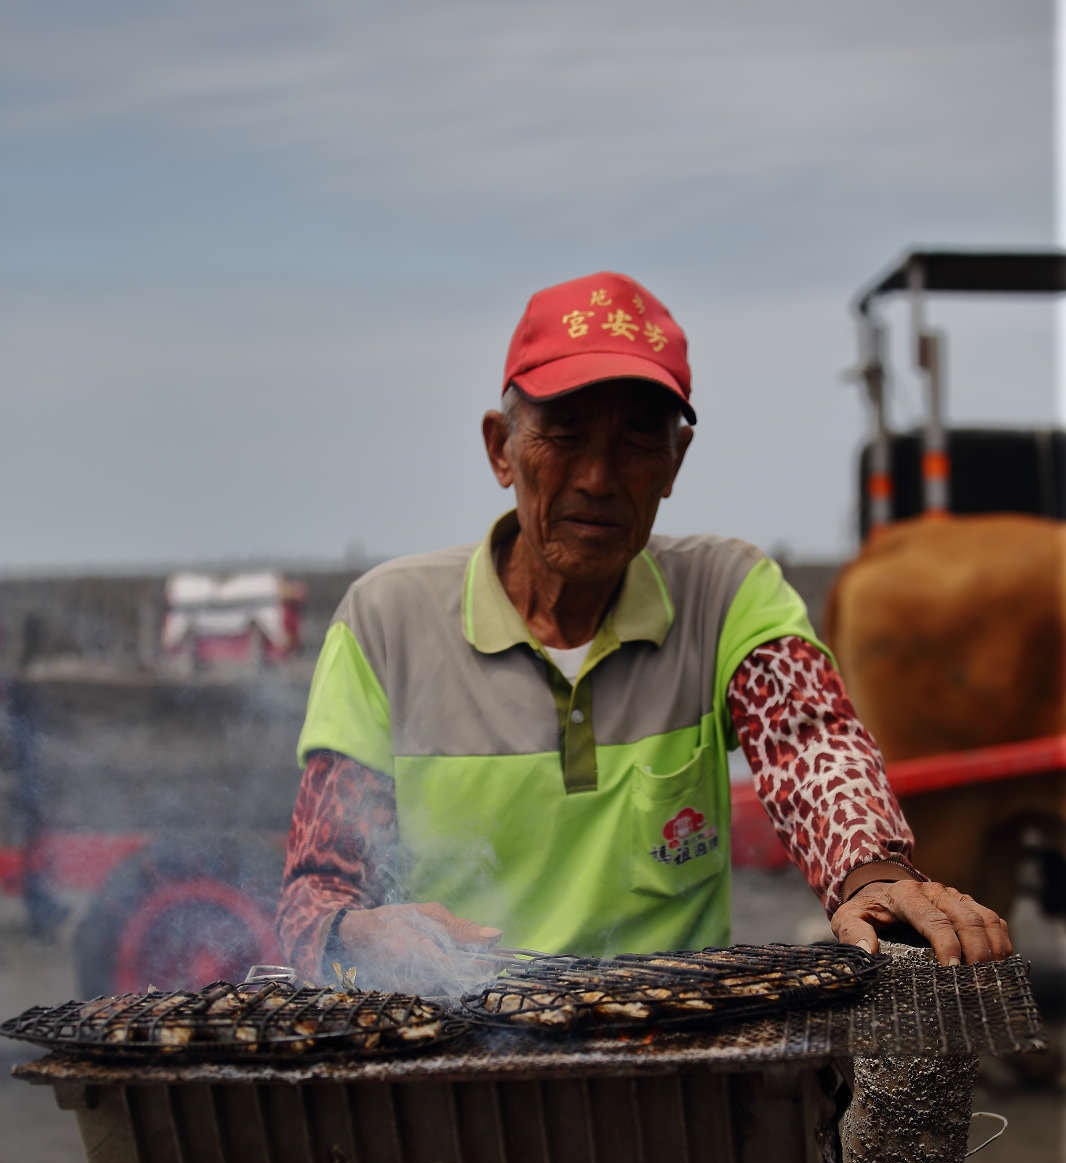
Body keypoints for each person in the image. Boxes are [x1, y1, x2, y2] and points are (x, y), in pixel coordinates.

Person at [278, 271, 1011, 991]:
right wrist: (352, 933)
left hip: (677, 1037)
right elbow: (317, 896)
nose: (598, 478)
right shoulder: (386, 621)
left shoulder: (726, 591)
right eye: (565, 436)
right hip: (463, 1039)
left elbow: (810, 738)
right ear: (501, 448)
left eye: (635, 442)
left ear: (674, 462)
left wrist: (871, 874)